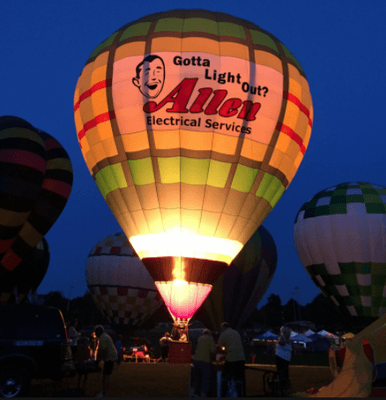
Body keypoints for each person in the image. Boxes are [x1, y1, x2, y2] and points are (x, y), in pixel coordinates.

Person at [217, 322, 246, 397]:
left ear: (223, 328)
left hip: (231, 358)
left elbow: (218, 346)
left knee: (225, 378)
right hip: (241, 358)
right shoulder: (236, 332)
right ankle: (240, 395)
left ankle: (223, 395)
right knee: (239, 379)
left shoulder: (224, 334)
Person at [95, 325, 118, 398]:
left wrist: (98, 360)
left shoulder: (102, 338)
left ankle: (104, 393)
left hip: (110, 358)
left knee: (106, 375)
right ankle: (104, 392)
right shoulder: (105, 336)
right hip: (111, 357)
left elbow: (102, 351)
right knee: (106, 375)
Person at [191, 329, 215, 397]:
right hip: (204, 360)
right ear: (209, 334)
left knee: (196, 378)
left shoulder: (199, 338)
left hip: (196, 360)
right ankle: (203, 394)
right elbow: (213, 351)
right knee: (205, 378)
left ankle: (192, 392)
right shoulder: (210, 339)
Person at [275, 326, 292, 396]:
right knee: (282, 374)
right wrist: (286, 340)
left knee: (285, 374)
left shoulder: (288, 340)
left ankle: (284, 389)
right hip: (281, 358)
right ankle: (281, 389)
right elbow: (281, 342)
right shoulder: (281, 338)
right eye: (288, 333)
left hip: (286, 360)